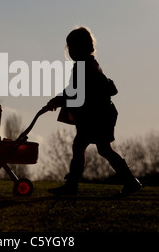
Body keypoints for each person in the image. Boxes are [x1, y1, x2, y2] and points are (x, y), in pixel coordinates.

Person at [44, 27, 142, 196]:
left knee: (85, 146)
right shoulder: (88, 65)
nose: (72, 51)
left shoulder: (85, 66)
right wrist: (60, 99)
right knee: (99, 148)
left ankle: (73, 185)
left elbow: (78, 91)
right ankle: (130, 182)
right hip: (97, 114)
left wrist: (59, 100)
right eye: (70, 48)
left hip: (97, 116)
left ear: (85, 47)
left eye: (75, 47)